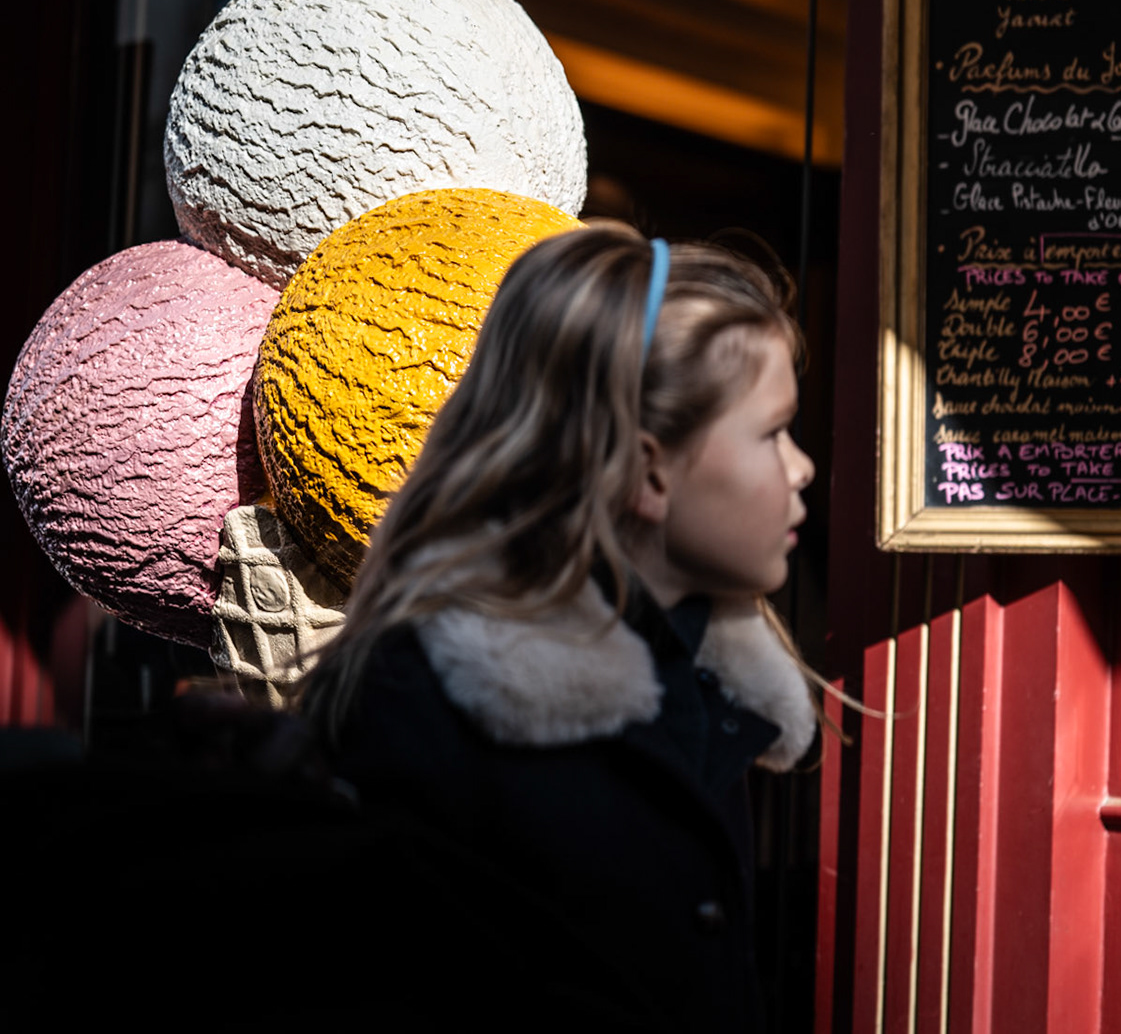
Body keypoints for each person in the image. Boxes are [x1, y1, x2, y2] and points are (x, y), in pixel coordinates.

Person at [300, 225, 819, 1030]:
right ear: (650, 470)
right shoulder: (429, 708)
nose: (801, 466)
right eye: (770, 432)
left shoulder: (703, 692)